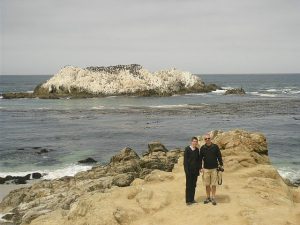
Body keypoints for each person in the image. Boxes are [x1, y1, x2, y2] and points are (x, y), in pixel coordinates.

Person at [200, 134, 223, 205]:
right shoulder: (202, 148)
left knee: (213, 184)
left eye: (208, 138)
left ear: (211, 138)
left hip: (214, 169)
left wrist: (221, 165)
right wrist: (200, 167)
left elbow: (219, 156)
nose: (207, 140)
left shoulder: (215, 147)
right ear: (204, 140)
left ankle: (213, 198)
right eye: (206, 139)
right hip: (206, 169)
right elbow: (200, 158)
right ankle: (208, 197)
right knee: (207, 185)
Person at [184, 136, 200, 205]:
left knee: (193, 185)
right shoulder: (187, 149)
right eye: (194, 141)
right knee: (188, 186)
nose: (195, 143)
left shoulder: (197, 150)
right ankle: (188, 200)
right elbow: (185, 162)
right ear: (191, 142)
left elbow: (198, 160)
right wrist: (186, 171)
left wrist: (199, 168)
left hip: (195, 171)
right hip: (189, 171)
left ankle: (192, 199)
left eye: (196, 142)